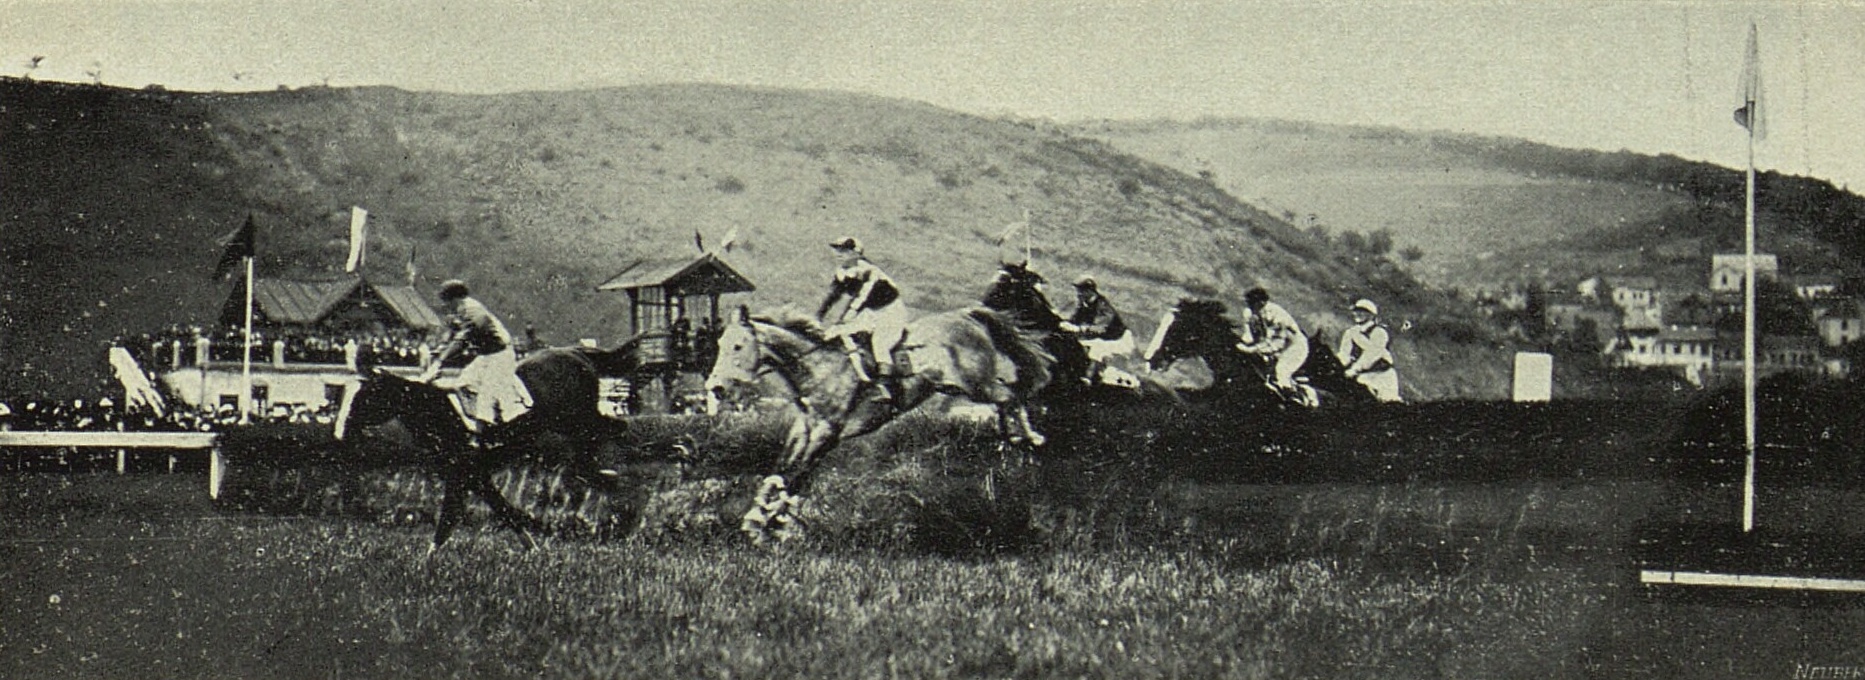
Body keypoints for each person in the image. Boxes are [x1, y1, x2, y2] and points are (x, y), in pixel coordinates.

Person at [420, 279, 533, 433]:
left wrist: (440, 361)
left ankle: (485, 435)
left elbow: (464, 337)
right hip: (485, 356)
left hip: (500, 356)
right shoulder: (463, 310)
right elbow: (457, 336)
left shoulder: (472, 309)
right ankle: (489, 421)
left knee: (485, 398)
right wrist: (440, 351)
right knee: (462, 384)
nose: (445, 305)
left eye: (446, 301)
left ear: (454, 298)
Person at [816, 237, 909, 401]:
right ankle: (862, 377)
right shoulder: (842, 272)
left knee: (880, 343)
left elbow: (861, 298)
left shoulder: (869, 271)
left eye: (845, 251)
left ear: (856, 254)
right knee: (839, 333)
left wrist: (846, 318)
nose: (839, 254)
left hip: (890, 311)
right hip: (870, 312)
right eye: (837, 250)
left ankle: (884, 386)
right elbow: (833, 296)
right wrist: (818, 317)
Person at [1058, 275, 1136, 383]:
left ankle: (1087, 379)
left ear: (1090, 291)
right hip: (1104, 338)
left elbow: (1101, 329)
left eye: (1081, 291)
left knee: (1097, 348)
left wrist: (1079, 329)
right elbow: (1074, 320)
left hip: (1119, 341)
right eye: (1078, 291)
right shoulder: (1085, 304)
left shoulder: (1103, 306)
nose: (1078, 294)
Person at [1236, 286, 1311, 398]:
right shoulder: (1251, 313)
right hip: (1274, 344)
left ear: (1262, 302)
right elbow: (1249, 335)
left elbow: (1277, 343)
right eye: (1248, 303)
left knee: (1281, 371)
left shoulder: (1277, 316)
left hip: (1294, 347)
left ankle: (1295, 399)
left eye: (1252, 303)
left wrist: (1251, 349)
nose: (1249, 306)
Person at [1335, 298, 1403, 402]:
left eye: (1363, 311)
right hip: (1361, 377)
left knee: (1388, 404)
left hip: (1382, 376)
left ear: (1371, 315)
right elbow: (1344, 354)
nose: (1358, 314)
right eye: (1356, 311)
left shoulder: (1379, 332)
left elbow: (1372, 354)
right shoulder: (1350, 333)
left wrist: (1354, 369)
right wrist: (1337, 366)